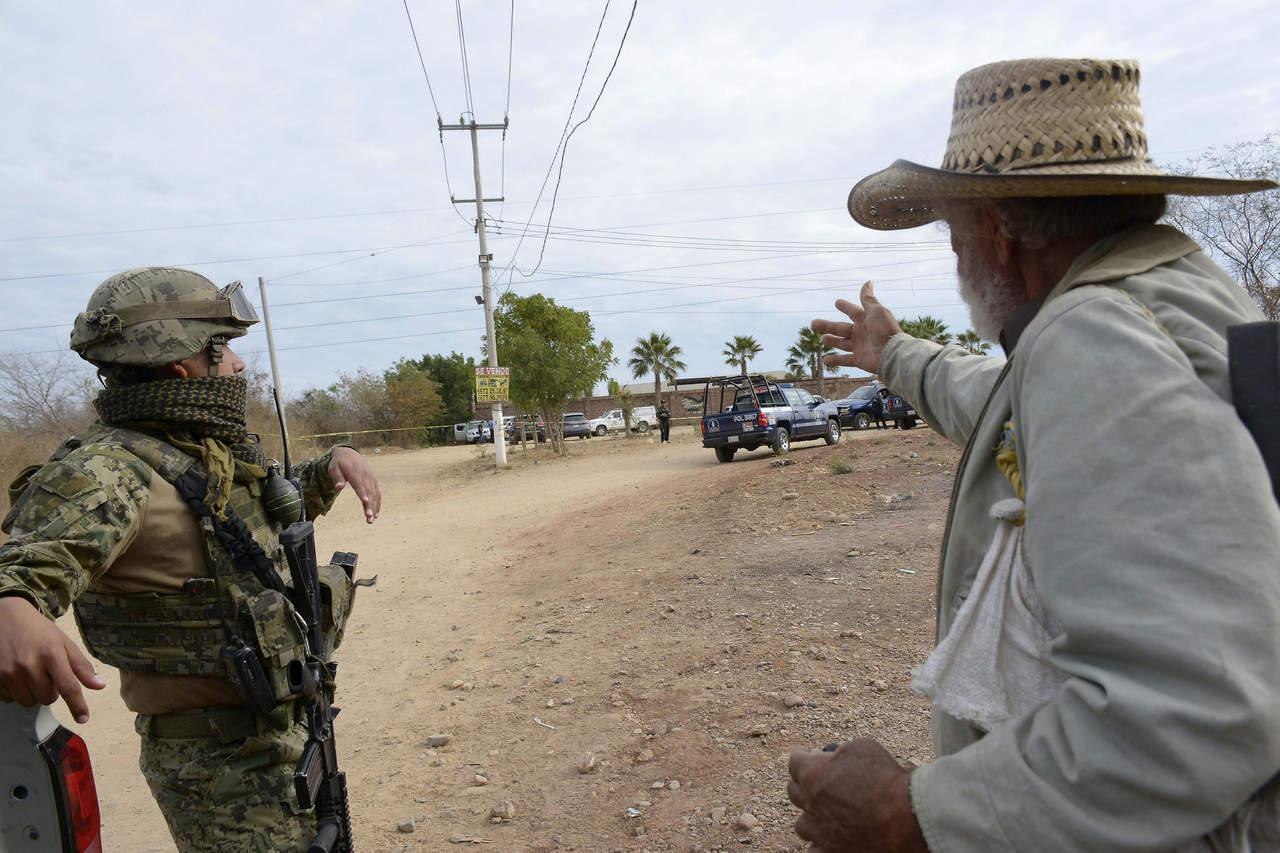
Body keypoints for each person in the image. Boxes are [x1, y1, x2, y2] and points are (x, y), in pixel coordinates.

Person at [791, 58, 1280, 852]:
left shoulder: (1093, 337)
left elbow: (1188, 718)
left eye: (953, 234)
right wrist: (896, 357)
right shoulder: (1179, 299)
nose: (956, 262)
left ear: (998, 226)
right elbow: (1001, 406)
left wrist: (909, 812)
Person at [0, 267, 382, 852]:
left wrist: (331, 466)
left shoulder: (195, 447)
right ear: (183, 366)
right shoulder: (108, 468)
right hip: (221, 765)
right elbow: (28, 564)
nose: (236, 365)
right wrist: (13, 604)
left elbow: (241, 526)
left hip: (280, 731)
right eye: (221, 348)